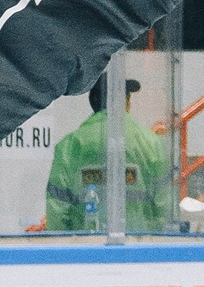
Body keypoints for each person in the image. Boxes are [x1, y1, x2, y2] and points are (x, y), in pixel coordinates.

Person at [44, 77, 170, 231]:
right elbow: (165, 209)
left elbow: (57, 211)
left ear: (93, 103)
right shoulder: (152, 144)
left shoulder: (69, 146)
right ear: (125, 102)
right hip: (139, 249)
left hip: (85, 249)